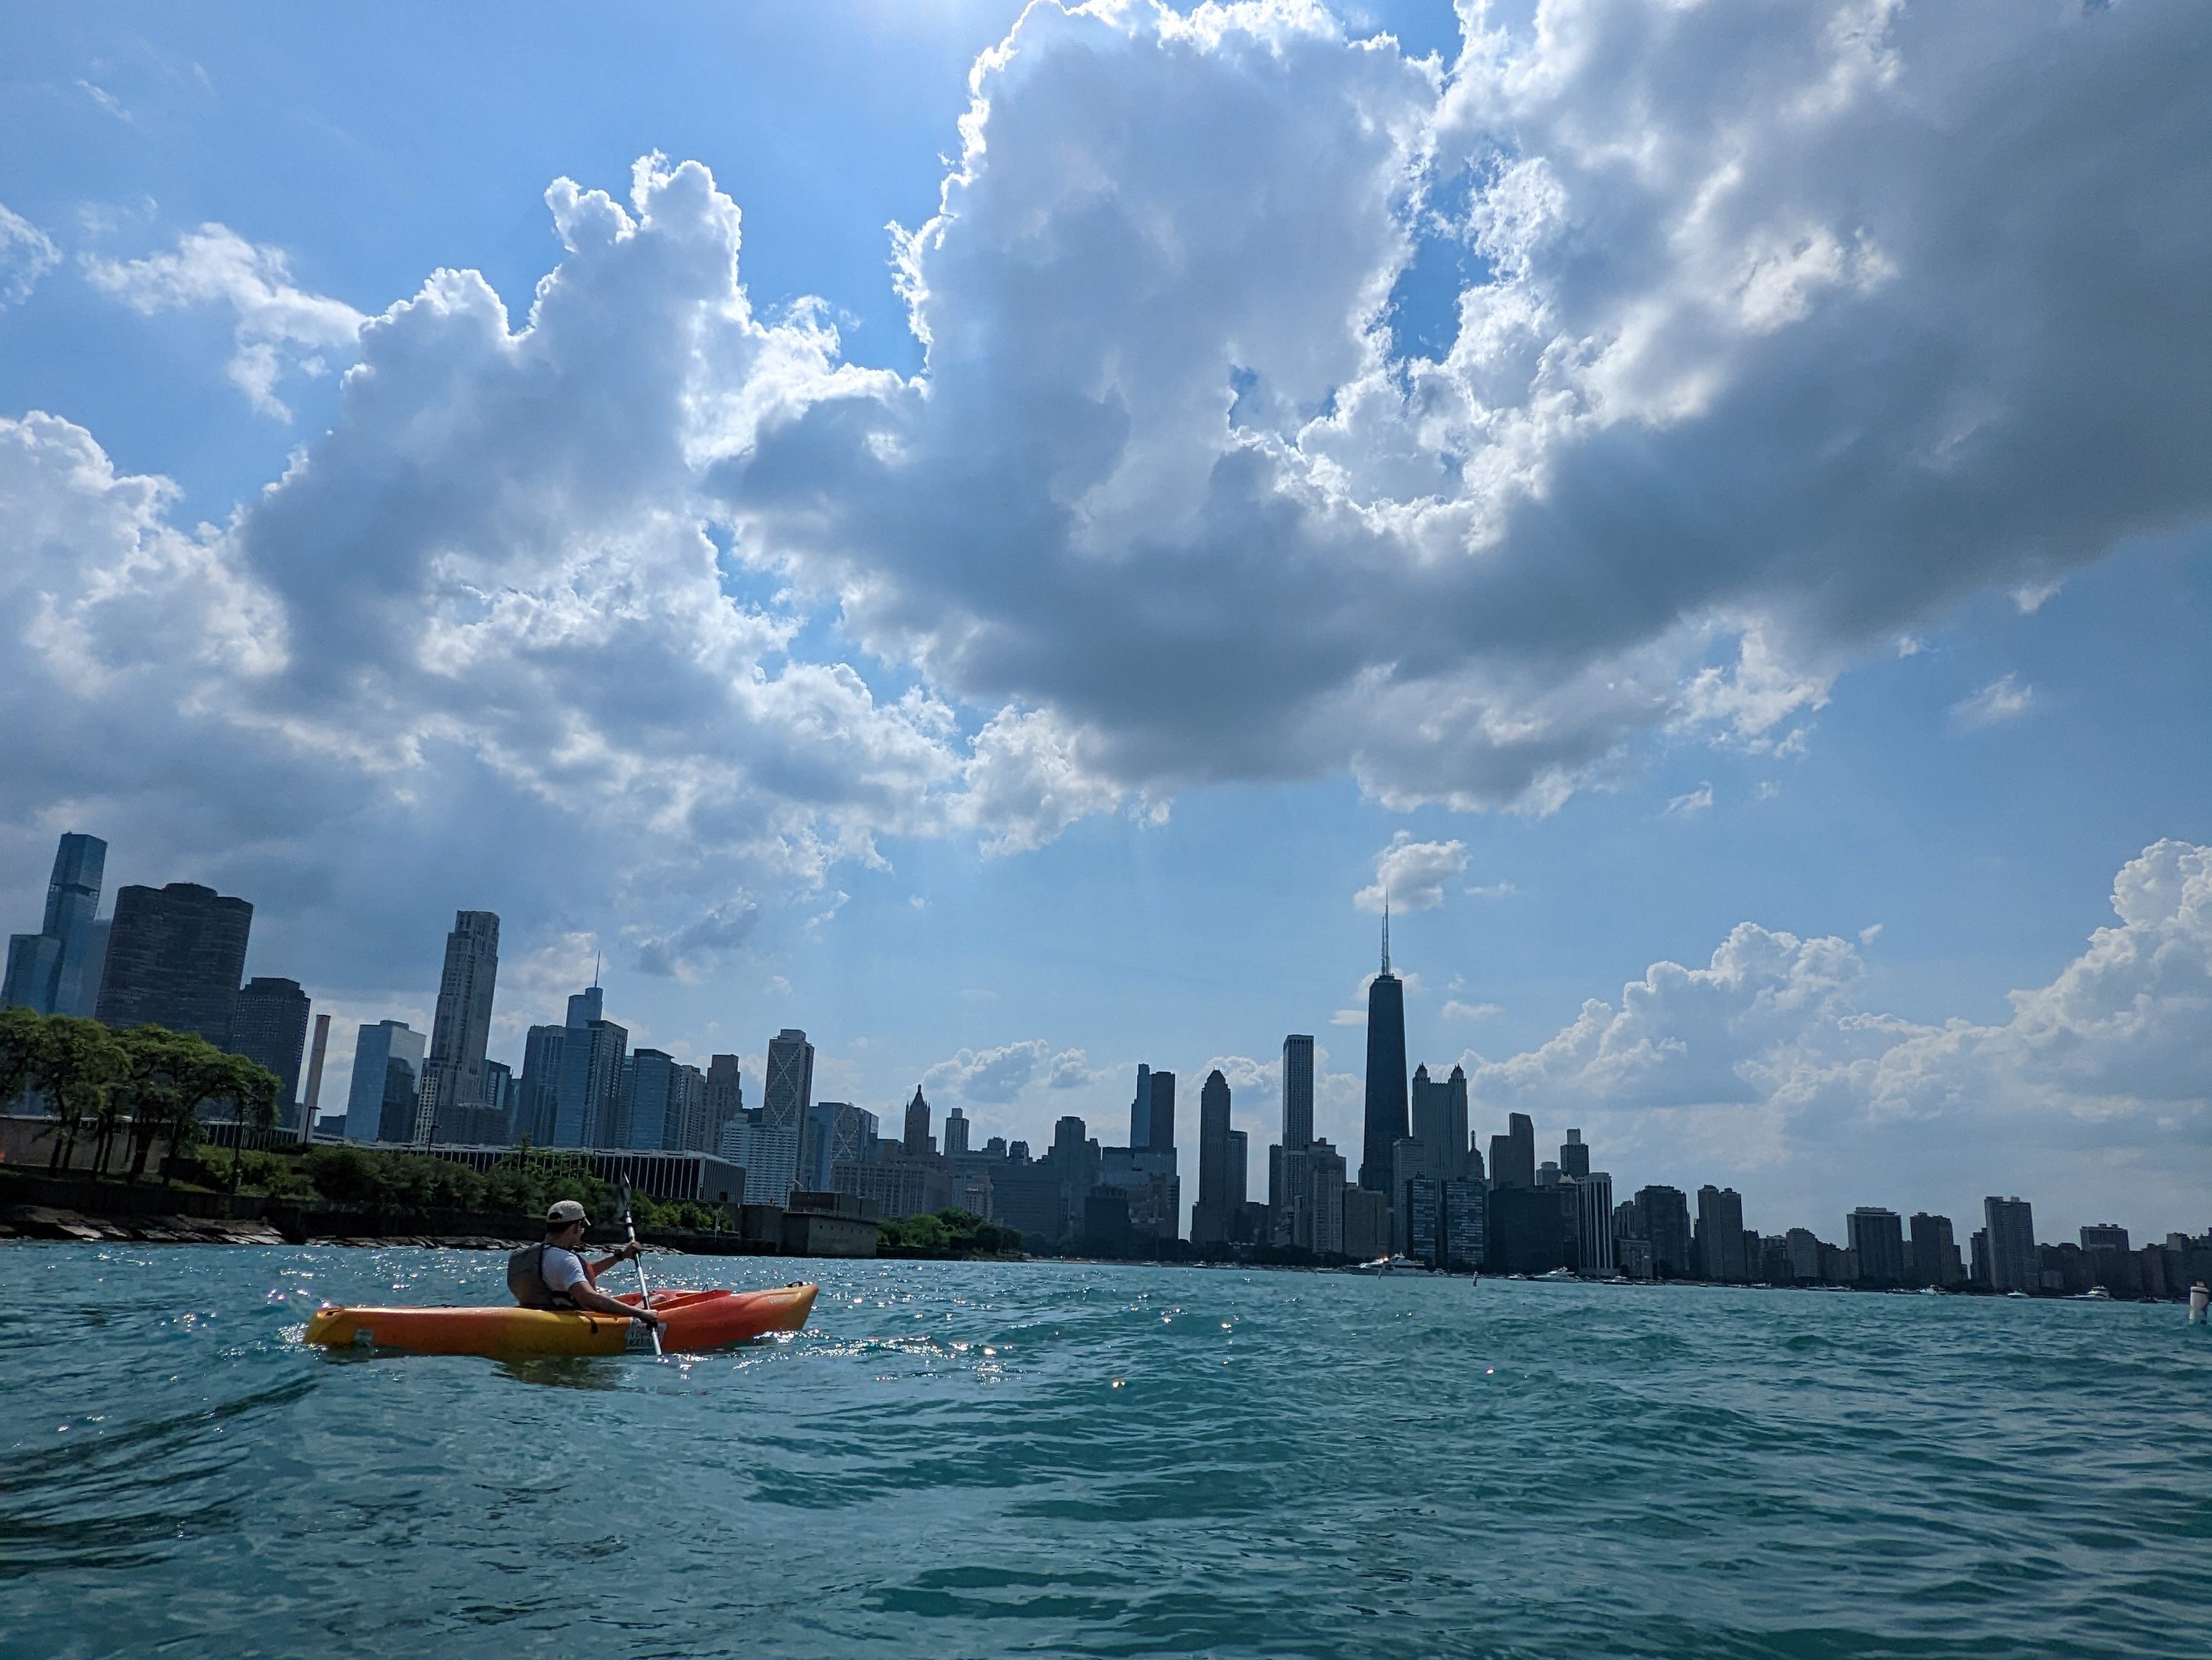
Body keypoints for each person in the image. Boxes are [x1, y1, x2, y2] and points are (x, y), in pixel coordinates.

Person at [508, 1199, 665, 1332]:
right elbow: (589, 1298)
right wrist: (641, 1315)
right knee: (659, 1298)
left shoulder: (527, 1255)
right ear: (576, 1227)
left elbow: (579, 1274)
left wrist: (620, 1256)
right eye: (582, 1227)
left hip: (534, 1317)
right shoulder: (565, 1259)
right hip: (571, 1324)